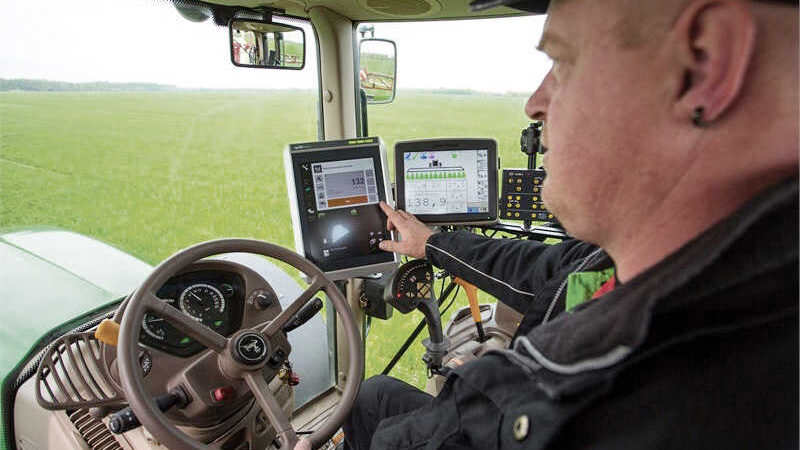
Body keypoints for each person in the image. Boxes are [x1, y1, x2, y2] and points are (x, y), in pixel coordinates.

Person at [300, 0, 798, 447]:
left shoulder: (626, 393)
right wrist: (432, 243)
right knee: (375, 395)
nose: (534, 104)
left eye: (562, 60)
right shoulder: (637, 263)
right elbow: (543, 271)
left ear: (704, 62)